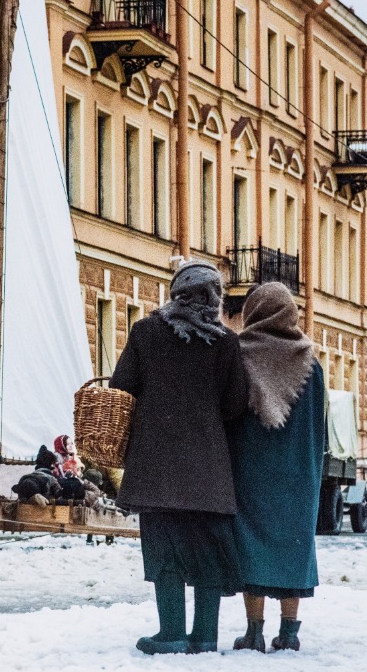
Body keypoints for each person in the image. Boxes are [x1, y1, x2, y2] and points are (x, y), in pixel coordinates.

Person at [109, 260, 248, 655]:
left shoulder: (146, 332)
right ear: (214, 296)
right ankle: (204, 636)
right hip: (208, 466)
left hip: (155, 463)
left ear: (176, 293)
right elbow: (236, 404)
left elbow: (122, 388)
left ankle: (170, 633)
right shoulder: (226, 342)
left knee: (164, 548)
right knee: (208, 551)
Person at [228, 283, 325, 654]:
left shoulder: (241, 356)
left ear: (254, 311)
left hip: (250, 470)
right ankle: (289, 633)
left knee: (251, 542)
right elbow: (318, 423)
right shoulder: (310, 363)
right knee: (294, 545)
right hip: (299, 473)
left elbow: (231, 413)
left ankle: (253, 632)